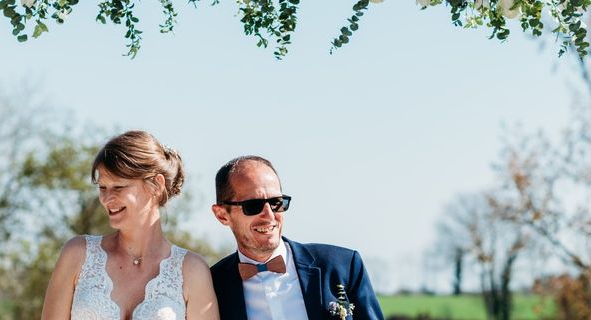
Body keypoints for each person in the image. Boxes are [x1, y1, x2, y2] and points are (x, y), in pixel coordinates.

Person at [41, 130, 219, 320]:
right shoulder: (77, 254)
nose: (107, 198)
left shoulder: (192, 270)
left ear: (156, 186)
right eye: (102, 187)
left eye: (118, 187)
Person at [210, 155, 384, 319]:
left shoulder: (342, 266)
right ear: (222, 215)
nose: (269, 215)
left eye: (276, 202)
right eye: (253, 205)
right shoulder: (211, 286)